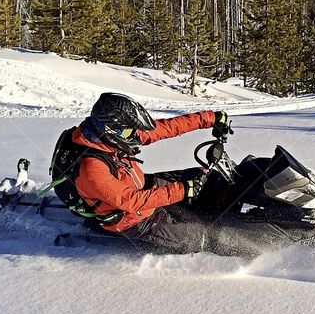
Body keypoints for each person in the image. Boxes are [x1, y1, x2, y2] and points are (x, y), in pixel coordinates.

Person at [69, 92, 231, 251]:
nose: (134, 136)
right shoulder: (91, 168)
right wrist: (183, 190)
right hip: (133, 218)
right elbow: (131, 201)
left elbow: (166, 128)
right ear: (109, 130)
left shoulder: (110, 139)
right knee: (202, 237)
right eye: (128, 132)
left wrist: (210, 118)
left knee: (205, 179)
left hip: (140, 186)